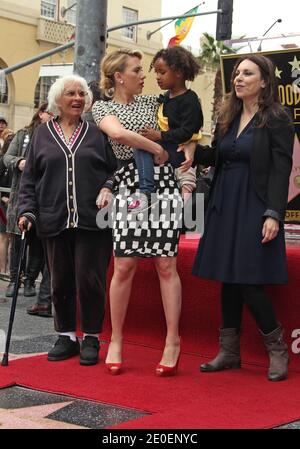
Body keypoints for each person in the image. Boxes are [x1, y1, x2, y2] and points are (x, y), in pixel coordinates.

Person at [189, 55, 294, 381]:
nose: (239, 78)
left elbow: (281, 169)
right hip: (225, 202)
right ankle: (229, 352)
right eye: (237, 73)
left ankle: (277, 349)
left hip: (256, 202)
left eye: (247, 73)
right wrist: (194, 150)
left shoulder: (277, 118)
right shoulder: (228, 116)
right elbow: (219, 157)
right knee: (228, 278)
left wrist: (274, 213)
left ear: (264, 81)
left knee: (248, 278)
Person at [92, 48, 190, 376]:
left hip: (163, 184)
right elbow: (118, 135)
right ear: (119, 76)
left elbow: (187, 129)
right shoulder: (102, 107)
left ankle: (172, 339)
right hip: (130, 183)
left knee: (166, 263)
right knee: (124, 263)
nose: (143, 75)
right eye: (136, 69)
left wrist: (185, 148)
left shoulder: (154, 103)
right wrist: (155, 146)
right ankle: (116, 339)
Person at [18, 74, 117, 365]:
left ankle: (91, 337)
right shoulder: (42, 134)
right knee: (60, 281)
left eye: (81, 94)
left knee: (90, 280)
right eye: (71, 94)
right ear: (58, 100)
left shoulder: (98, 133)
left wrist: (108, 186)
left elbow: (116, 170)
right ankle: (65, 336)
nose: (77, 98)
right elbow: (30, 179)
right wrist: (27, 211)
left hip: (92, 219)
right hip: (53, 218)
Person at [128, 46, 203, 213]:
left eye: (162, 72)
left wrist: (158, 135)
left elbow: (187, 131)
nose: (157, 77)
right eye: (156, 72)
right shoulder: (164, 98)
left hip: (179, 151)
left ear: (178, 72)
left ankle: (150, 192)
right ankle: (147, 190)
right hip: (166, 147)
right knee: (140, 145)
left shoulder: (190, 100)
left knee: (186, 179)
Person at [4, 104, 52, 310]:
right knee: (17, 238)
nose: (53, 116)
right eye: (50, 112)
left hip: (46, 196)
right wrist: (20, 161)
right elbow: (7, 157)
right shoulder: (24, 134)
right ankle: (15, 280)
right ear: (41, 114)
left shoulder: (54, 134)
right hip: (21, 195)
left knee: (39, 242)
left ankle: (31, 280)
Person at [0, 127, 14, 278]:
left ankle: (11, 271)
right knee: (4, 237)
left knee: (12, 240)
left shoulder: (17, 161)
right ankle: (3, 270)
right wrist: (3, 197)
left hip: (16, 203)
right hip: (3, 205)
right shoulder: (2, 160)